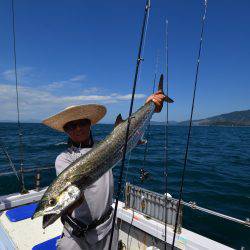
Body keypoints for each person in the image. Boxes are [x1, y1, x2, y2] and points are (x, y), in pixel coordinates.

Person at [42, 91, 166, 250]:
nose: (78, 128)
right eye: (71, 125)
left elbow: (129, 134)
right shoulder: (63, 159)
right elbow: (73, 197)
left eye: (82, 123)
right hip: (76, 234)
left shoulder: (108, 144)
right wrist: (60, 205)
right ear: (66, 130)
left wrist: (151, 105)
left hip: (107, 227)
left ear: (89, 124)